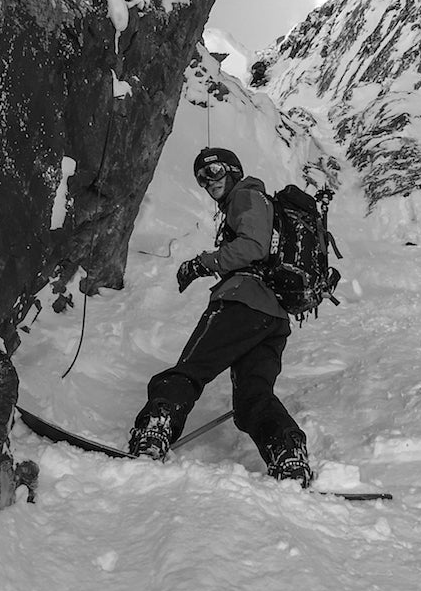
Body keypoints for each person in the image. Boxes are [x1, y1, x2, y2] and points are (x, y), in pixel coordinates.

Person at [128, 147, 312, 486]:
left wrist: (201, 263)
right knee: (252, 398)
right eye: (200, 176)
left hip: (240, 304)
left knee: (189, 371)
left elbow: (253, 247)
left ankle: (155, 430)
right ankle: (288, 454)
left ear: (232, 170)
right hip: (271, 319)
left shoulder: (246, 195)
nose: (206, 180)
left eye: (213, 171)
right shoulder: (252, 202)